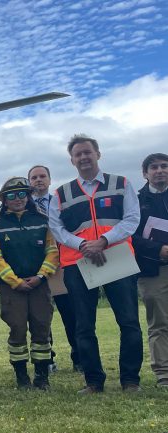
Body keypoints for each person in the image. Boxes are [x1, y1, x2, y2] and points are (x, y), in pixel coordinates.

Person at [49, 134, 143, 393]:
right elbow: (56, 229)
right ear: (71, 160)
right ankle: (93, 381)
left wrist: (103, 241)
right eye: (78, 154)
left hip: (116, 258)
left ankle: (130, 380)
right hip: (78, 263)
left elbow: (132, 219)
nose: (83, 157)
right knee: (83, 325)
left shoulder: (121, 183)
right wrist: (82, 246)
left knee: (129, 321)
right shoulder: (60, 193)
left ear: (98, 154)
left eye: (87, 152)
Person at [0, 178, 58, 389]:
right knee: (17, 328)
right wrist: (15, 282)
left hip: (40, 284)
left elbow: (52, 251)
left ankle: (41, 375)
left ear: (28, 197)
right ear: (3, 200)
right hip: (11, 288)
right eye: (11, 196)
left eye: (21, 194)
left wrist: (41, 276)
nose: (17, 199)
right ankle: (21, 376)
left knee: (42, 328)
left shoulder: (44, 221)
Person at [29, 164, 81, 373]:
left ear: (50, 180)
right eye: (34, 178)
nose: (38, 180)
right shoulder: (24, 207)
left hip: (62, 264)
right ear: (29, 182)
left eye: (42, 176)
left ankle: (79, 357)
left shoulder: (61, 203)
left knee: (72, 314)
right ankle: (47, 359)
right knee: (41, 318)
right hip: (36, 267)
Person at [132, 152, 168, 388]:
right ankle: (164, 375)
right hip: (153, 270)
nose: (160, 171)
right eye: (154, 167)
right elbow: (129, 235)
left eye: (164, 166)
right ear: (145, 174)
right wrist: (159, 249)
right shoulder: (136, 201)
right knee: (159, 323)